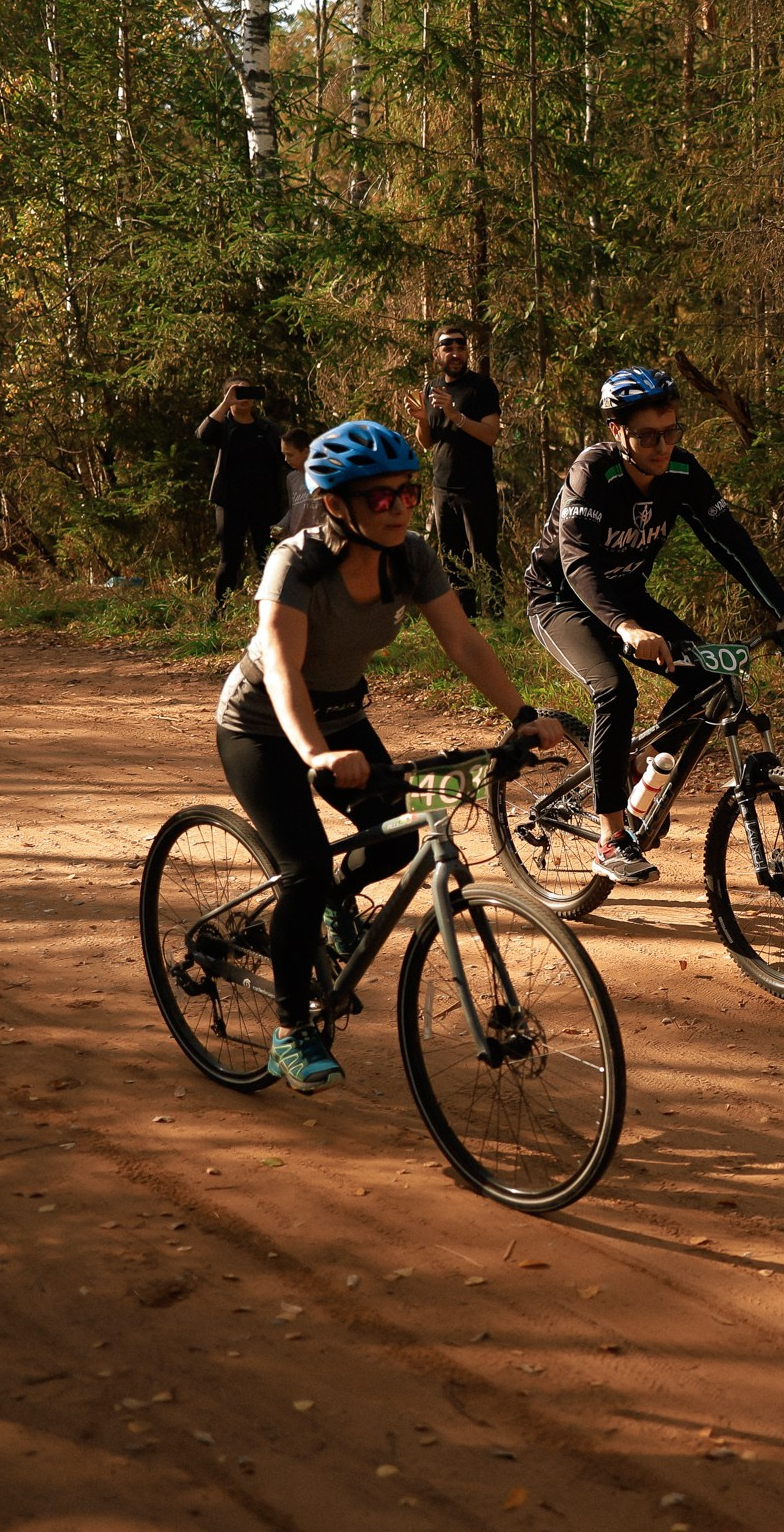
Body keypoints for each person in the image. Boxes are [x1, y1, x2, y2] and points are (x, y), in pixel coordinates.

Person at [215, 421, 563, 1093]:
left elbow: (462, 642)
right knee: (305, 868)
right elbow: (283, 670)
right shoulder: (296, 562)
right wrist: (315, 752)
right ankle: (291, 1031)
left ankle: (325, 907)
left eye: (407, 491)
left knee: (399, 843)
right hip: (261, 726)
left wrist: (521, 718)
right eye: (382, 498)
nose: (401, 506)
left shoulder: (412, 556)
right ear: (337, 505)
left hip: (343, 717)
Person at [524, 368, 784, 885]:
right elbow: (577, 564)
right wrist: (626, 626)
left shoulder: (682, 471)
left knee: (707, 681)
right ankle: (612, 837)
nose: (662, 446)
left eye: (671, 431)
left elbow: (730, 541)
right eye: (648, 435)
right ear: (618, 432)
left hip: (627, 596)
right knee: (615, 690)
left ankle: (637, 764)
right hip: (563, 599)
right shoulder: (592, 474)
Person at [408, 326, 505, 616]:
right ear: (436, 354)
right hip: (443, 489)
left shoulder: (481, 387)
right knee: (453, 562)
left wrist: (455, 415)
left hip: (476, 489)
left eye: (461, 346)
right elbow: (426, 443)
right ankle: (467, 623)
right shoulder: (431, 389)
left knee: (484, 559)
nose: (455, 352)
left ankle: (497, 622)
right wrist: (422, 419)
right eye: (447, 347)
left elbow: (491, 435)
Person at [197, 379, 289, 607]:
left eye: (247, 390)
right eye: (238, 391)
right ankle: (218, 611)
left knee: (268, 559)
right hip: (231, 504)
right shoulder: (224, 427)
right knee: (229, 561)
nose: (243, 396)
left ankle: (275, 610)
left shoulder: (268, 429)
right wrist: (225, 403)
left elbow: (286, 457)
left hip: (266, 504)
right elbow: (203, 435)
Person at [278, 427, 319, 534]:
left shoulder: (323, 476)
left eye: (290, 455)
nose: (286, 459)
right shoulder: (291, 478)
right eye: (284, 454)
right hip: (297, 541)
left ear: (306, 451)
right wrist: (280, 526)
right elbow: (293, 509)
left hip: (319, 540)